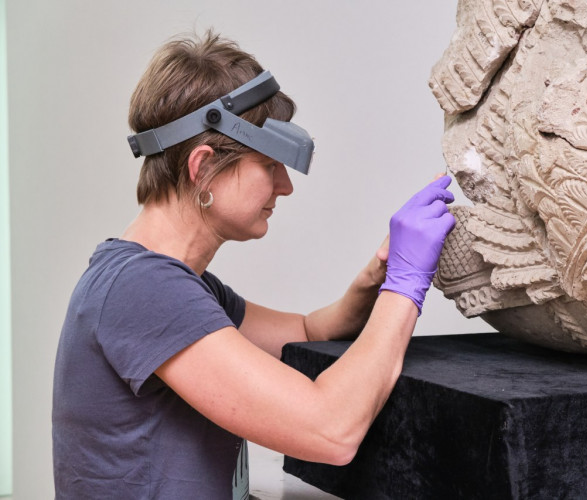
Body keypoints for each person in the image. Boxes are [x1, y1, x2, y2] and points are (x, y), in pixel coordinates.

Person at [52, 30, 455, 499]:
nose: (285, 186)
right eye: (269, 165)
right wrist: (407, 285)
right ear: (202, 167)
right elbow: (331, 430)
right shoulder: (142, 289)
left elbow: (307, 332)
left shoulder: (176, 283)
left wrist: (375, 279)